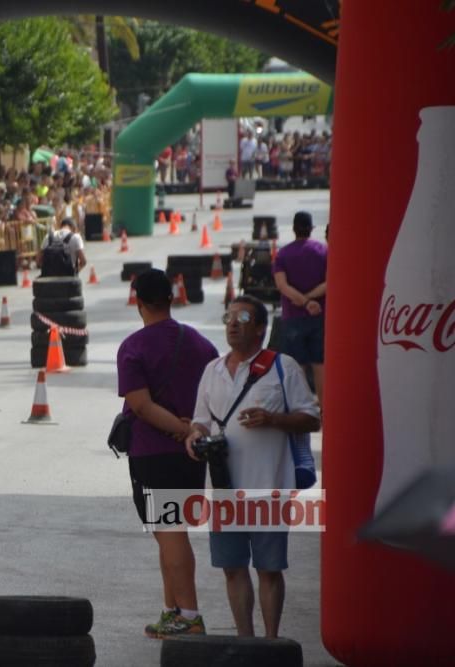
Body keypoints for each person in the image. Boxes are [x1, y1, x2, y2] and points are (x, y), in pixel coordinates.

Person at [184, 296, 321, 639]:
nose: (232, 323)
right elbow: (200, 421)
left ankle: (271, 642)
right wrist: (194, 437)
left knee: (269, 569)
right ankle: (247, 641)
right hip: (225, 488)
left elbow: (311, 419)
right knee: (232, 568)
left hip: (269, 486)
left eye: (242, 317)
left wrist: (273, 418)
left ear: (260, 328)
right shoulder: (212, 371)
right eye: (228, 316)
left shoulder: (282, 367)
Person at [117, 269, 219, 638]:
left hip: (154, 452)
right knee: (167, 531)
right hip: (192, 456)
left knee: (171, 532)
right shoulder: (202, 345)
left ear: (137, 301)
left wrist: (181, 430)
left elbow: (141, 406)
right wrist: (194, 430)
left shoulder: (134, 347)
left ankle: (189, 615)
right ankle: (171, 610)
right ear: (172, 298)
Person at [273, 211, 328, 407]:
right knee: (320, 365)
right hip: (320, 316)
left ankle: (302, 408)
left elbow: (282, 286)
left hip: (293, 318)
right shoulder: (324, 251)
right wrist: (312, 300)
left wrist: (303, 302)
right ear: (312, 228)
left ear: (294, 229)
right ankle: (323, 409)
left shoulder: (283, 254)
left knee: (297, 367)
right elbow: (330, 282)